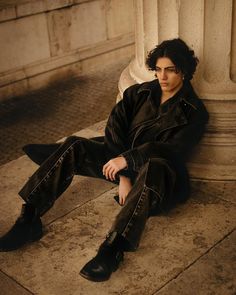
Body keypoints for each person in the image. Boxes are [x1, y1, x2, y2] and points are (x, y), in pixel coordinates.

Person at [0, 38, 209, 282]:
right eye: (158, 69)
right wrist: (123, 175)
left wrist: (128, 162)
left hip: (160, 179)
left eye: (170, 70)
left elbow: (170, 150)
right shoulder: (137, 93)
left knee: (153, 166)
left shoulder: (194, 112)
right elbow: (114, 131)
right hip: (121, 164)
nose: (162, 76)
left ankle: (113, 248)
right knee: (75, 145)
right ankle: (29, 218)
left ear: (183, 70)